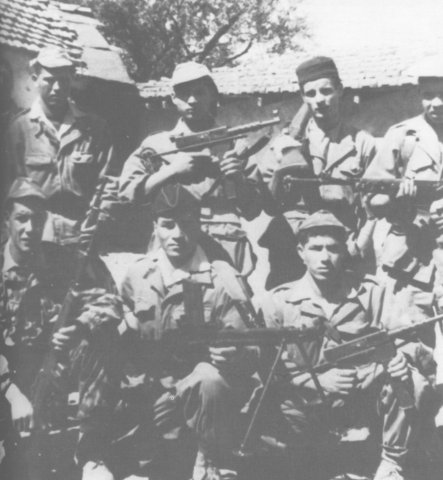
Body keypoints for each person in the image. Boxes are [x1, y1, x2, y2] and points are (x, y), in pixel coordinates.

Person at [259, 210, 432, 480]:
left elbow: (407, 339)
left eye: (333, 249)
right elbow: (267, 371)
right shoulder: (277, 303)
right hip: (306, 405)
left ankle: (391, 463)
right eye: (316, 248)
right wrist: (318, 380)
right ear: (301, 252)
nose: (325, 257)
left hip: (361, 398)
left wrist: (401, 358)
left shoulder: (371, 292)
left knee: (412, 380)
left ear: (345, 251)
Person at [115, 184, 259, 480]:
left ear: (200, 224)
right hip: (156, 392)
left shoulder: (224, 279)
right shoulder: (138, 274)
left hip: (205, 398)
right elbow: (123, 333)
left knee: (209, 377)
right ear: (155, 226)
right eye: (168, 225)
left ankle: (210, 463)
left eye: (187, 224)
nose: (178, 234)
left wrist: (235, 354)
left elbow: (254, 347)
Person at [0, 177, 119, 479]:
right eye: (22, 219)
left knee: (101, 337)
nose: (30, 228)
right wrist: (12, 394)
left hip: (54, 372)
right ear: (6, 220)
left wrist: (80, 325)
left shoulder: (63, 261)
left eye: (38, 219)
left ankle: (90, 449)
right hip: (8, 380)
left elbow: (110, 302)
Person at [119, 61, 262, 276]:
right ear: (173, 98)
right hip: (174, 241)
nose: (192, 100)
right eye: (184, 93)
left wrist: (238, 179)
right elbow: (127, 195)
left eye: (200, 92)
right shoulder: (156, 146)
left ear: (212, 95)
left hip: (225, 243)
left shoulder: (234, 144)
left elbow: (254, 210)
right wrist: (171, 171)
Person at [258, 56, 378, 289]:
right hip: (291, 246)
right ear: (303, 97)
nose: (319, 100)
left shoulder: (362, 143)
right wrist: (282, 164)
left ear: (340, 90)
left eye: (326, 91)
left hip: (341, 246)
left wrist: (358, 245)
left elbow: (372, 208)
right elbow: (269, 205)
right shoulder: (285, 142)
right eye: (311, 94)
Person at [5, 46, 116, 247]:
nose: (57, 88)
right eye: (49, 80)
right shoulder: (19, 129)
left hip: (79, 236)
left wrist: (97, 223)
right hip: (33, 237)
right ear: (35, 79)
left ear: (71, 80)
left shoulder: (94, 128)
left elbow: (107, 182)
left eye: (63, 80)